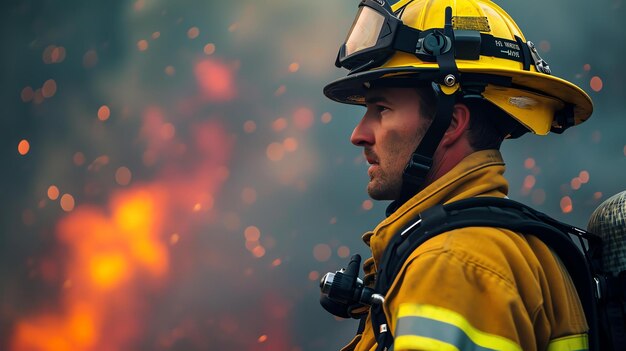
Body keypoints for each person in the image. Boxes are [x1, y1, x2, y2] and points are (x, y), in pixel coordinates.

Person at [321, 0, 594, 350]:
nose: (358, 134)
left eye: (382, 109)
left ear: (450, 123)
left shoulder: (453, 263)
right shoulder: (516, 247)